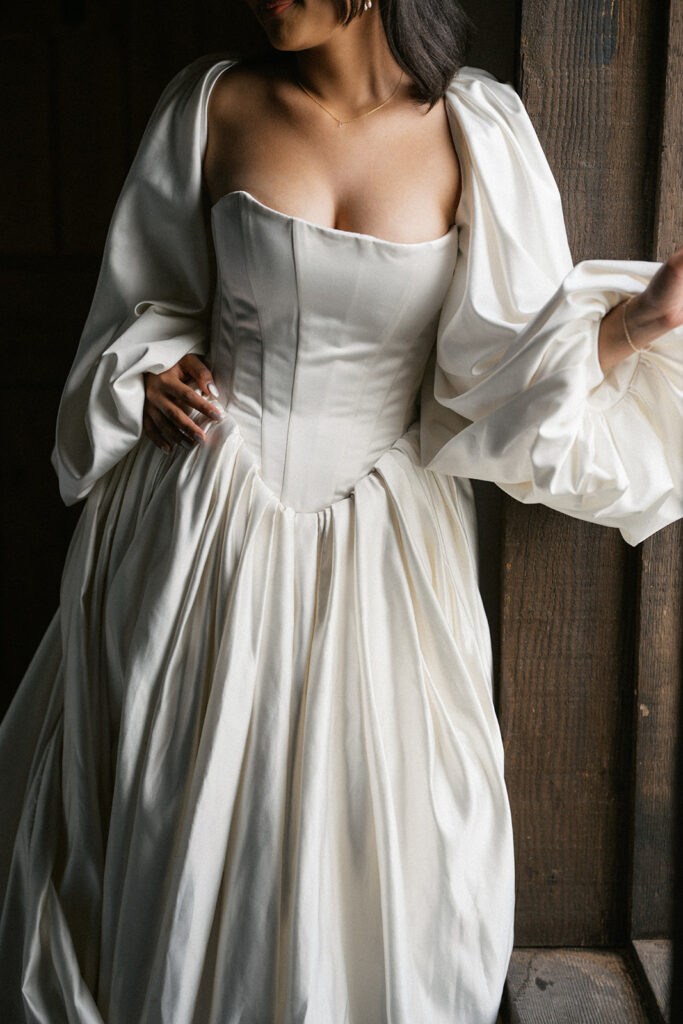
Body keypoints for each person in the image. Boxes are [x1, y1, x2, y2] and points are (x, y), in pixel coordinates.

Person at [1, 1, 681, 1022]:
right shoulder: (211, 103)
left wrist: (633, 326)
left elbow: (495, 380)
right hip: (199, 523)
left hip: (385, 546)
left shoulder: (476, 130)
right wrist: (142, 379)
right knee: (168, 822)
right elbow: (141, 307)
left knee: (390, 849)